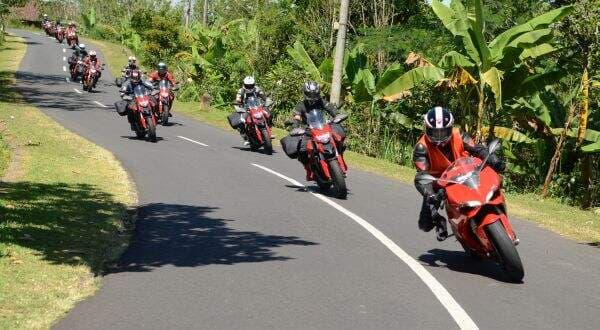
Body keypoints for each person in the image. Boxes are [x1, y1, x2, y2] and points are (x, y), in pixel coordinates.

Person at [413, 106, 506, 238]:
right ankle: (441, 221)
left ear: (450, 128)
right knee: (425, 224)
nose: (439, 136)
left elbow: (477, 149)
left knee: (494, 182)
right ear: (427, 129)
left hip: (468, 172)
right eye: (435, 132)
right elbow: (422, 174)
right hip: (441, 183)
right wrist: (430, 194)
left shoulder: (459, 134)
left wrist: (492, 158)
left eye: (443, 132)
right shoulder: (421, 147)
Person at [292, 81, 345, 181]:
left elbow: (330, 108)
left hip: (323, 127)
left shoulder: (321, 101)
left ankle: (340, 161)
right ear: (305, 93)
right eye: (310, 94)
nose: (312, 96)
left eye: (314, 94)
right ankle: (309, 170)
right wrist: (295, 125)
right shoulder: (301, 105)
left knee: (339, 139)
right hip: (308, 131)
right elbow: (297, 116)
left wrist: (336, 115)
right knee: (302, 149)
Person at [234, 76, 273, 143]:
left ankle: (269, 129)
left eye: (251, 85)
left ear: (254, 84)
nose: (249, 87)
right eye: (247, 85)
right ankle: (245, 136)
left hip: (257, 107)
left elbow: (264, 96)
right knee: (241, 121)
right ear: (244, 84)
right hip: (246, 109)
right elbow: (238, 99)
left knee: (269, 114)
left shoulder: (257, 89)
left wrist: (267, 101)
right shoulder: (241, 91)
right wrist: (237, 102)